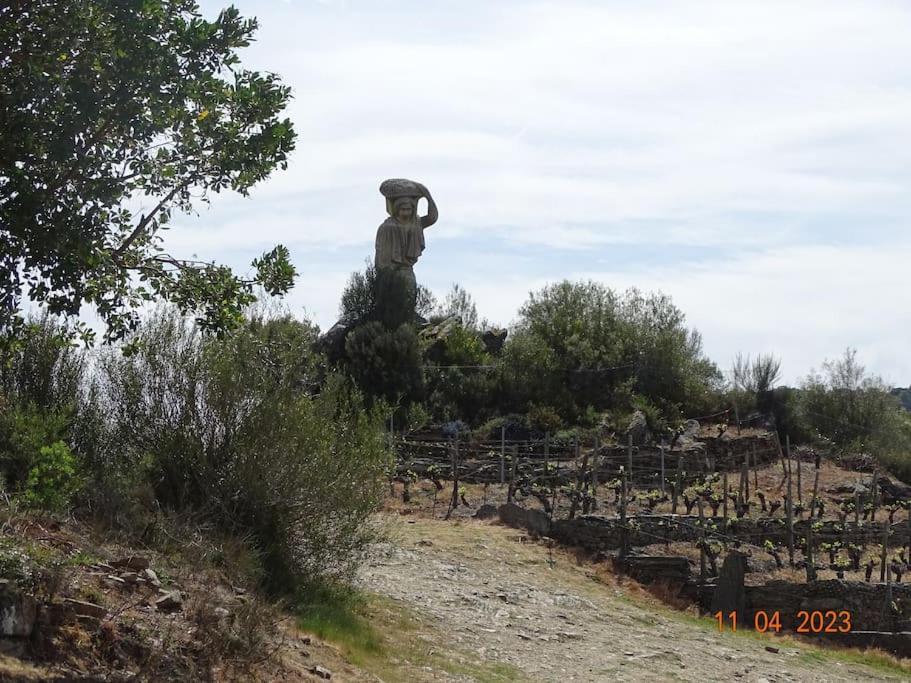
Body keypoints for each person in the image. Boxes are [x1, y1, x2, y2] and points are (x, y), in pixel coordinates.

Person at [374, 179, 438, 314]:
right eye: (403, 209)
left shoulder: (416, 224)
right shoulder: (387, 227)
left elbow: (432, 218)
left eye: (409, 209)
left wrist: (427, 196)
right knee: (391, 307)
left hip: (407, 270)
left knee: (409, 301)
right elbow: (381, 256)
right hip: (391, 273)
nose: (406, 213)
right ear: (397, 209)